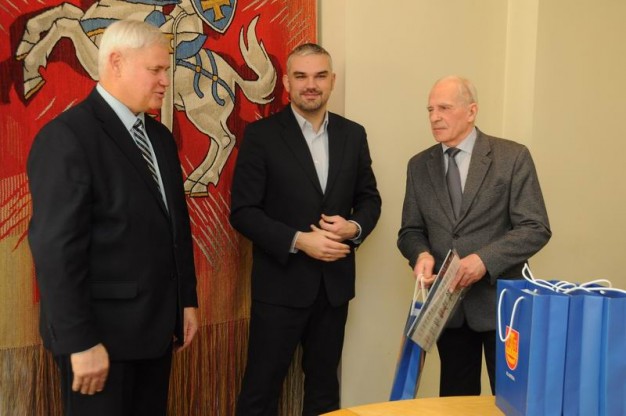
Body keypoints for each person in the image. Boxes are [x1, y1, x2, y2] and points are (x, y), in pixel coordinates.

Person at [27, 19, 198, 416]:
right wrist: (80, 342)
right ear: (116, 63)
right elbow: (56, 251)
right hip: (99, 341)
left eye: (166, 70)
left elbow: (176, 227)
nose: (165, 81)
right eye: (156, 69)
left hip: (156, 333)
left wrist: (185, 301)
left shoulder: (159, 138)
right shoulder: (67, 137)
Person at [230, 43, 381, 416]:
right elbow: (243, 212)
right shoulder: (261, 135)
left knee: (325, 390)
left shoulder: (353, 135)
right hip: (280, 288)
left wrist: (354, 227)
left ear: (332, 80)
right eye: (301, 76)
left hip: (334, 290)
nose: (310, 85)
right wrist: (299, 241)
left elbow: (369, 199)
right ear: (286, 82)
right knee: (260, 391)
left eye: (319, 76)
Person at [397, 76, 551, 396]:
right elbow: (410, 231)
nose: (435, 117)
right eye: (430, 110)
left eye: (444, 108)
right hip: (448, 309)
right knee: (455, 401)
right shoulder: (419, 165)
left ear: (471, 111)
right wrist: (421, 254)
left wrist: (483, 260)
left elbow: (535, 227)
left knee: (510, 402)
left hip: (503, 306)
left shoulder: (512, 157)